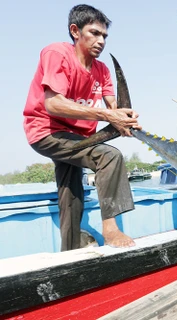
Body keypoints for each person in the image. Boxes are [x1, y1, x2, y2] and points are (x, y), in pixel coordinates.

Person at [23, 4, 141, 250]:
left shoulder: (102, 70)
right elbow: (53, 104)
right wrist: (108, 114)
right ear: (75, 31)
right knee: (109, 156)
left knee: (71, 193)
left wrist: (125, 118)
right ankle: (111, 229)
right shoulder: (56, 53)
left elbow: (113, 105)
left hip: (78, 137)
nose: (101, 41)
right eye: (95, 33)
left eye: (105, 36)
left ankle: (71, 249)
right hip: (47, 131)